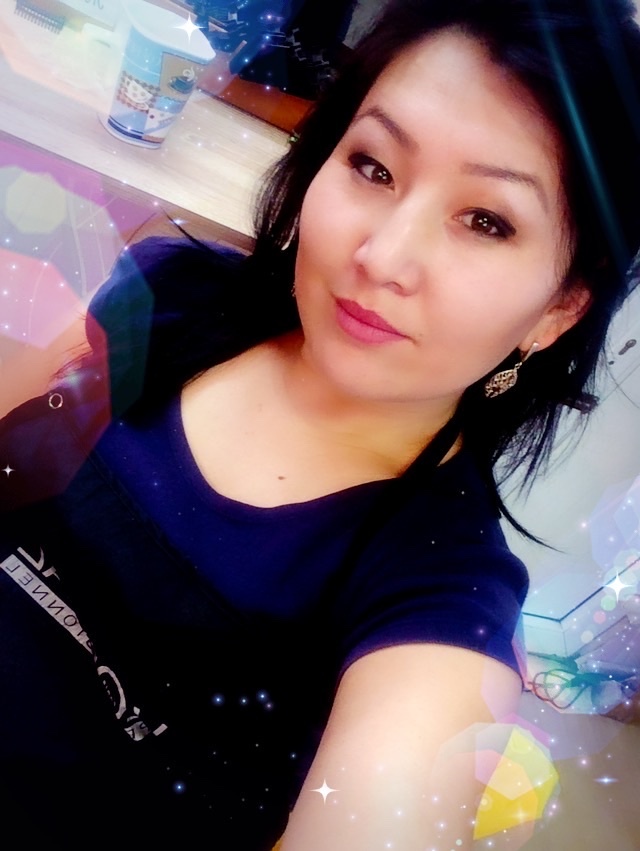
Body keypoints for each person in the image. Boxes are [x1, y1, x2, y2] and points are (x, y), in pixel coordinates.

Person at [1, 0, 640, 848]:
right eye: (374, 166)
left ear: (560, 308)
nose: (383, 256)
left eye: (487, 220)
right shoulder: (172, 291)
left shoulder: (440, 595)